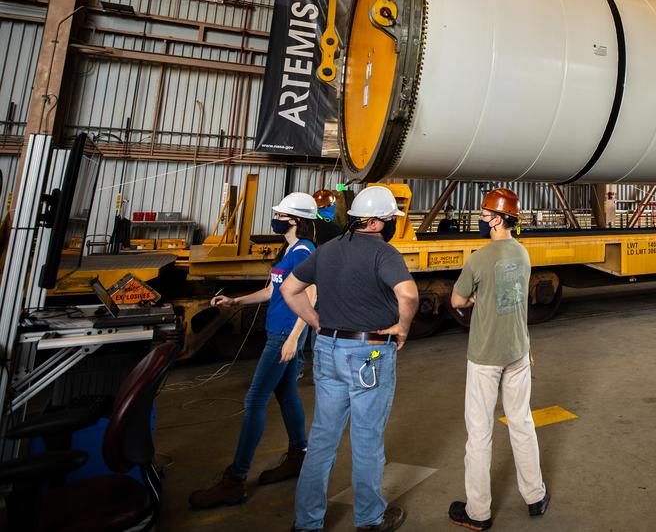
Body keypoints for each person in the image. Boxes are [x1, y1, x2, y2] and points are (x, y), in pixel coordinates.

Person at [282, 185, 419, 532]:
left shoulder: (327, 250)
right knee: (367, 438)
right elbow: (408, 294)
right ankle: (370, 519)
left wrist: (315, 322)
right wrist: (401, 329)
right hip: (369, 352)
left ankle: (307, 522)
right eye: (389, 220)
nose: (390, 226)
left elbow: (288, 289)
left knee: (323, 439)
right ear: (373, 223)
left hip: (327, 349)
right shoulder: (384, 253)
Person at [188, 192, 319, 509]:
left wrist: (293, 339)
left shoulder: (304, 251)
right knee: (285, 393)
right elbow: (271, 290)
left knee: (255, 399)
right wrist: (236, 302)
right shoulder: (288, 250)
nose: (275, 218)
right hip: (278, 330)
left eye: (280, 214)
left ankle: (235, 480)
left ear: (294, 220)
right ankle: (298, 457)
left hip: (285, 334)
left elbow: (313, 295)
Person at [448, 188, 550, 530]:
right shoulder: (522, 254)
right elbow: (512, 295)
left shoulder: (479, 258)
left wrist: (475, 298)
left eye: (483, 213)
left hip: (485, 356)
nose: (480, 218)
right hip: (518, 351)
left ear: (495, 219)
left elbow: (456, 301)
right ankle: (535, 496)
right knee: (522, 424)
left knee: (479, 433)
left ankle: (478, 513)